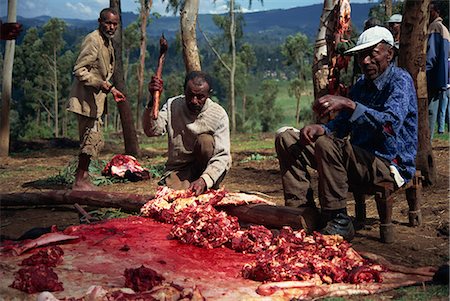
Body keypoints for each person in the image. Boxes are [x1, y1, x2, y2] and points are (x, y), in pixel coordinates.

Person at [275, 26, 418, 241]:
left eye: (372, 54)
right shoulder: (361, 85)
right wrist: (321, 128)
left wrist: (349, 104)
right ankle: (303, 210)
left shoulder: (400, 81)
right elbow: (341, 125)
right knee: (287, 139)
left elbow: (390, 125)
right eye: (362, 55)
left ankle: (338, 218)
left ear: (390, 53)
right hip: (357, 159)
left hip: (387, 163)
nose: (366, 61)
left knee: (326, 145)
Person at [143, 71, 231, 196]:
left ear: (208, 94)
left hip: (206, 168)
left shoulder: (219, 114)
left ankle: (209, 185)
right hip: (179, 169)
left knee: (205, 141)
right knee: (176, 199)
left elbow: (222, 156)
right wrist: (152, 99)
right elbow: (152, 130)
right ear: (184, 91)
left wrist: (204, 180)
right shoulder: (172, 105)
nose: (194, 101)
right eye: (190, 95)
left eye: (200, 97)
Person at [67, 8, 126, 191]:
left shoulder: (106, 42)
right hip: (85, 100)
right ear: (99, 21)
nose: (111, 27)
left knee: (93, 140)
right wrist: (102, 85)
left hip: (95, 102)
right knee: (89, 140)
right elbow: (79, 70)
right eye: (108, 23)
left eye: (114, 24)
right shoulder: (93, 40)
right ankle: (80, 181)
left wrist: (111, 89)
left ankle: (83, 177)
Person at [427, 1, 449, 138]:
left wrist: (423, 74)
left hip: (430, 78)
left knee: (427, 111)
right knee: (432, 111)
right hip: (439, 78)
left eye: (429, 10)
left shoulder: (435, 27)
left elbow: (431, 56)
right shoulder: (444, 29)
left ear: (435, 11)